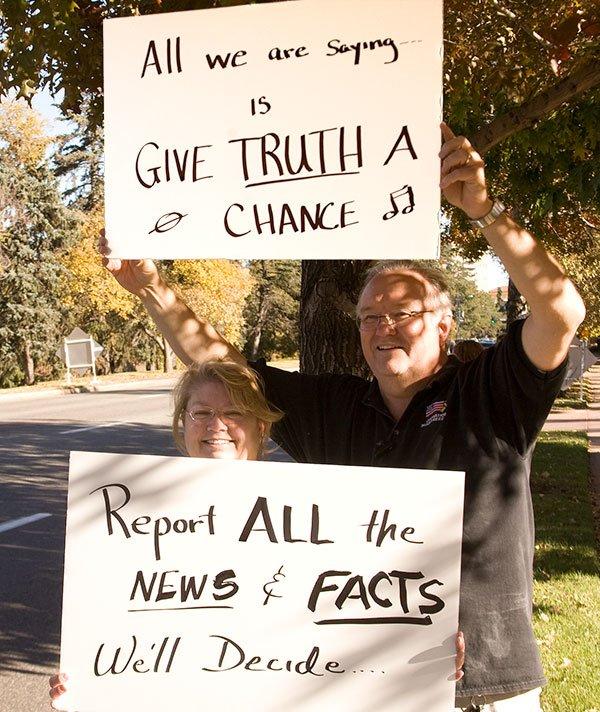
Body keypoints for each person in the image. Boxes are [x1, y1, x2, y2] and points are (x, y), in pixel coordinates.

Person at [95, 124, 584, 709]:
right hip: (374, 684)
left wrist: (484, 210)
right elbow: (223, 365)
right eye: (368, 317)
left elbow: (561, 308)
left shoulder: (493, 394)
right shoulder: (336, 409)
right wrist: (151, 287)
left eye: (402, 312)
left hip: (486, 684)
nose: (383, 329)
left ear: (444, 325)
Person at [49, 359, 466, 706]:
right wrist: (86, 682)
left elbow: (367, 608)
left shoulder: (320, 514)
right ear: (183, 423)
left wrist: (420, 654)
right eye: (202, 413)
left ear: (261, 427)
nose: (217, 425)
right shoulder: (131, 521)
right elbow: (116, 637)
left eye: (234, 413)